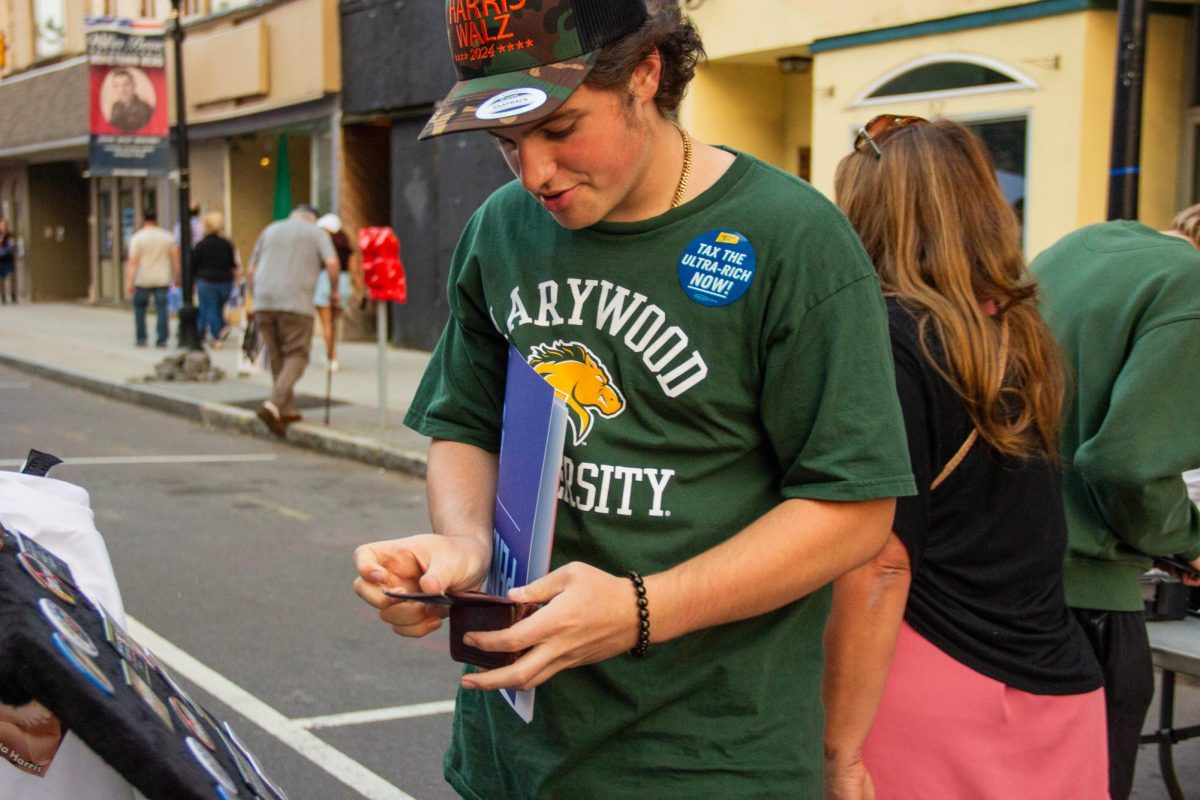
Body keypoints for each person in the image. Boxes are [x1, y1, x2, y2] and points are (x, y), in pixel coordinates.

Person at [352, 2, 915, 797]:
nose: (535, 172)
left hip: (703, 761)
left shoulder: (794, 239)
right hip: (509, 752)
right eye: (507, 143)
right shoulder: (499, 231)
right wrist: (466, 547)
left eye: (562, 128)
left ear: (646, 74)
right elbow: (467, 425)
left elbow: (854, 509)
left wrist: (641, 610)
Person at [821, 115, 1107, 800]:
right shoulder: (1017, 333)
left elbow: (880, 561)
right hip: (1059, 688)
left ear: (865, 211)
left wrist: (840, 750)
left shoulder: (886, 341)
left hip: (921, 683)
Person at [1032, 208, 1200, 800]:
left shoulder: (1081, 248)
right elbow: (1125, 464)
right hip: (1087, 606)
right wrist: (1189, 540)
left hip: (998, 575)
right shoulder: (1191, 290)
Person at [247, 204, 339, 436]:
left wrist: (253, 295)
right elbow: (332, 263)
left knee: (277, 354)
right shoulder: (316, 233)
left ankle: (286, 409)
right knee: (297, 354)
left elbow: (251, 270)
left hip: (264, 300)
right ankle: (273, 404)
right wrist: (334, 291)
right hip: (296, 302)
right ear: (313, 219)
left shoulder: (270, 229)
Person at [124, 210, 176, 348]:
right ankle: (162, 339)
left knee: (140, 309)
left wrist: (130, 281)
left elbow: (133, 262)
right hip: (162, 278)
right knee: (162, 309)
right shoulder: (167, 237)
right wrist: (177, 276)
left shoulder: (137, 238)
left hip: (143, 279)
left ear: (143, 219)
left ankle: (141, 338)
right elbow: (175, 259)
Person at [191, 211, 239, 346]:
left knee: (209, 308)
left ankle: (216, 335)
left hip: (207, 280)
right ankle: (207, 330)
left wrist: (192, 280)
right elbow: (232, 264)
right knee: (217, 308)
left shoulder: (201, 245)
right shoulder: (227, 244)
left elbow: (194, 264)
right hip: (225, 281)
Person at [313, 213, 354, 372]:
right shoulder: (345, 247)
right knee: (334, 323)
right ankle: (332, 355)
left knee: (326, 324)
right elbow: (351, 268)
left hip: (325, 281)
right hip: (344, 282)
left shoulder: (323, 246)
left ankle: (331, 356)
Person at [0, 217, 14, 304]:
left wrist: (7, 249)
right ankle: (3, 296)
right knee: (1, 278)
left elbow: (12, 245)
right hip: (0, 260)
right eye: (1, 225)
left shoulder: (10, 235)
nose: (3, 226)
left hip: (8, 259)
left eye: (4, 225)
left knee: (11, 277)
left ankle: (13, 295)